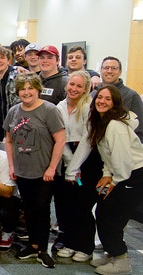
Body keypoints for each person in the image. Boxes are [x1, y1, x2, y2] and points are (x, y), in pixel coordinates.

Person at [67, 86, 143, 275]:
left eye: (108, 99)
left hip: (131, 175)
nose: (102, 101)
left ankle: (122, 260)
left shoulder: (116, 126)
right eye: (99, 97)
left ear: (115, 103)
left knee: (111, 217)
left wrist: (113, 181)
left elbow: (123, 161)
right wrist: (106, 173)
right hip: (121, 174)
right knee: (103, 213)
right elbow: (107, 155)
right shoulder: (101, 122)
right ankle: (114, 255)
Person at [3, 73, 65, 268]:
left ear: (38, 89)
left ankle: (42, 250)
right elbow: (9, 140)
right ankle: (32, 244)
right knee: (28, 209)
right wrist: (12, 166)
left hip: (44, 171)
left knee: (42, 209)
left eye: (30, 88)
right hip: (22, 171)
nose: (27, 92)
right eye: (22, 89)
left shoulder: (49, 110)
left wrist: (52, 167)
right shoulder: (13, 111)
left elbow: (60, 140)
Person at [53, 71, 97, 262]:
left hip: (86, 160)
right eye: (72, 84)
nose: (74, 89)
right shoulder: (59, 106)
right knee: (65, 204)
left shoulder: (88, 107)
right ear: (66, 85)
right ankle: (69, 242)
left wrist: (74, 168)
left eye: (79, 86)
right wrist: (69, 163)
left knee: (82, 205)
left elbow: (88, 140)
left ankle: (85, 246)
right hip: (65, 156)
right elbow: (60, 137)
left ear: (86, 89)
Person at [95, 56, 143, 140]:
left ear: (120, 72)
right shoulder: (93, 94)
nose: (109, 71)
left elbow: (139, 130)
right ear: (101, 70)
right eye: (106, 68)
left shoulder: (132, 96)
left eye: (114, 68)